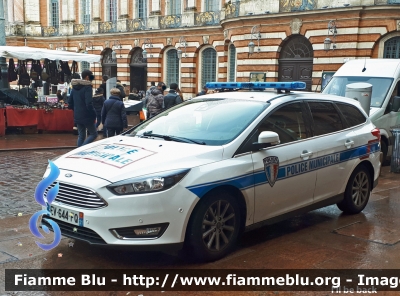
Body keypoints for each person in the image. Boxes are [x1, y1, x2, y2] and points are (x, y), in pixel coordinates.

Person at [68, 69, 98, 147]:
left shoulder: (74, 88)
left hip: (77, 115)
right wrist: (93, 113)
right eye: (91, 76)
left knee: (81, 135)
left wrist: (76, 110)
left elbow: (70, 102)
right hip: (87, 115)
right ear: (87, 77)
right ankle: (81, 150)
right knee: (94, 134)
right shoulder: (88, 88)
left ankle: (78, 151)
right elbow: (89, 103)